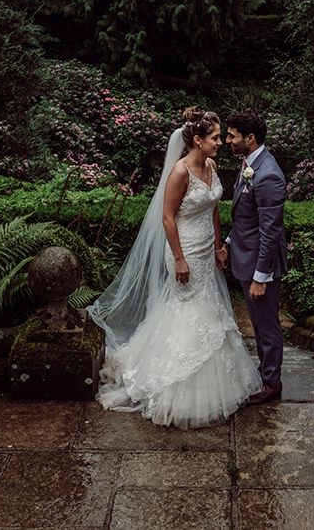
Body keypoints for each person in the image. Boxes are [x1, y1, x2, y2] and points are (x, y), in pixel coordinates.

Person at [88, 107, 261, 429]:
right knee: (188, 308)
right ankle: (179, 388)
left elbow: (212, 208)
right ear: (197, 140)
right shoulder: (180, 172)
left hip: (206, 249)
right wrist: (180, 258)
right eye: (214, 138)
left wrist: (218, 247)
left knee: (208, 304)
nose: (220, 142)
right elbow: (167, 217)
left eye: (220, 137)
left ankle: (216, 380)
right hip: (183, 249)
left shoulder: (210, 165)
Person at [223, 110, 287, 404]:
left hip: (261, 267)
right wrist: (228, 241)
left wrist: (261, 276)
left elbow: (270, 232)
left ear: (250, 138)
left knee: (267, 326)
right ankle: (266, 374)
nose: (227, 140)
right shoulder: (250, 164)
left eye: (232, 135)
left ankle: (271, 383)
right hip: (244, 256)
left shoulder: (268, 175)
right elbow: (245, 219)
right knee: (260, 325)